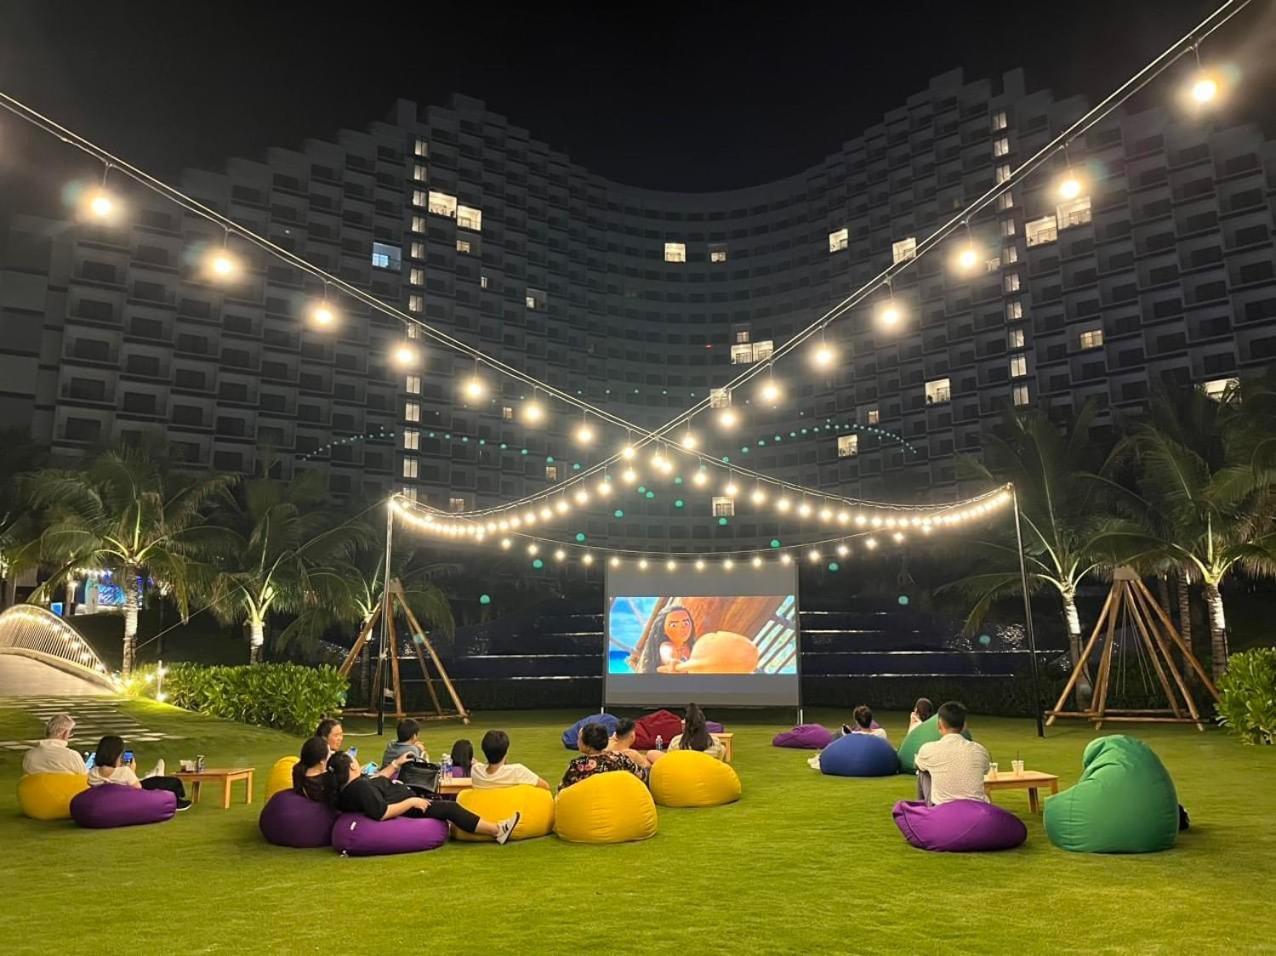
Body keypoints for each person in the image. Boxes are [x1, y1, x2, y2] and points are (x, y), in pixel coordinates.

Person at [325, 750, 520, 843]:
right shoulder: (359, 788)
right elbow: (381, 812)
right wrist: (412, 801)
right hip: (410, 807)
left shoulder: (352, 785)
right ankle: (497, 830)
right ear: (351, 766)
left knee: (435, 793)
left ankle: (488, 827)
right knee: (449, 808)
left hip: (408, 795)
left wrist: (397, 763)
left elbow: (376, 779)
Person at [914, 701, 991, 806]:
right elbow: (986, 770)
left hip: (943, 811)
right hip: (976, 809)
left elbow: (918, 764)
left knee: (922, 771)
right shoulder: (980, 750)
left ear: (939, 725)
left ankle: (922, 813)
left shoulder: (929, 749)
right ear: (964, 726)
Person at [87, 735, 191, 810]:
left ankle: (155, 774)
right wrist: (131, 771)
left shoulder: (92, 773)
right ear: (116, 755)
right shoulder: (124, 771)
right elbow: (138, 790)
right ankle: (177, 801)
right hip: (129, 799)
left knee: (153, 780)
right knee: (172, 782)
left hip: (110, 799)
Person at [295, 736, 412, 801]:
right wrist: (396, 764)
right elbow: (368, 784)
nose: (332, 753)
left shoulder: (302, 775)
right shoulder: (329, 780)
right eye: (329, 753)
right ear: (321, 761)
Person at [561, 722, 646, 789]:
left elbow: (562, 790)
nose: (577, 741)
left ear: (588, 745)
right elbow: (642, 776)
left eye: (579, 739)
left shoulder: (577, 765)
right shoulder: (620, 758)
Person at [630, 603, 698, 674]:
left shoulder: (691, 646)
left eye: (686, 623)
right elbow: (666, 654)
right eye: (674, 625)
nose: (682, 628)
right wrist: (670, 661)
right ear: (663, 630)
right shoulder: (666, 646)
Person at [471, 730, 549, 790]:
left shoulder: (476, 771)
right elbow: (545, 787)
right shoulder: (517, 771)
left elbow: (479, 766)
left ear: (483, 749)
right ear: (506, 751)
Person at [647, 703, 723, 764]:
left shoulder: (676, 742)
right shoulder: (715, 742)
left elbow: (669, 762)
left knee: (651, 754)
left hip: (681, 776)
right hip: (706, 776)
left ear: (685, 725)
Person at [22, 712, 88, 775]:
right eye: (70, 733)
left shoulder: (29, 756)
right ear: (65, 733)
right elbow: (88, 778)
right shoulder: (72, 756)